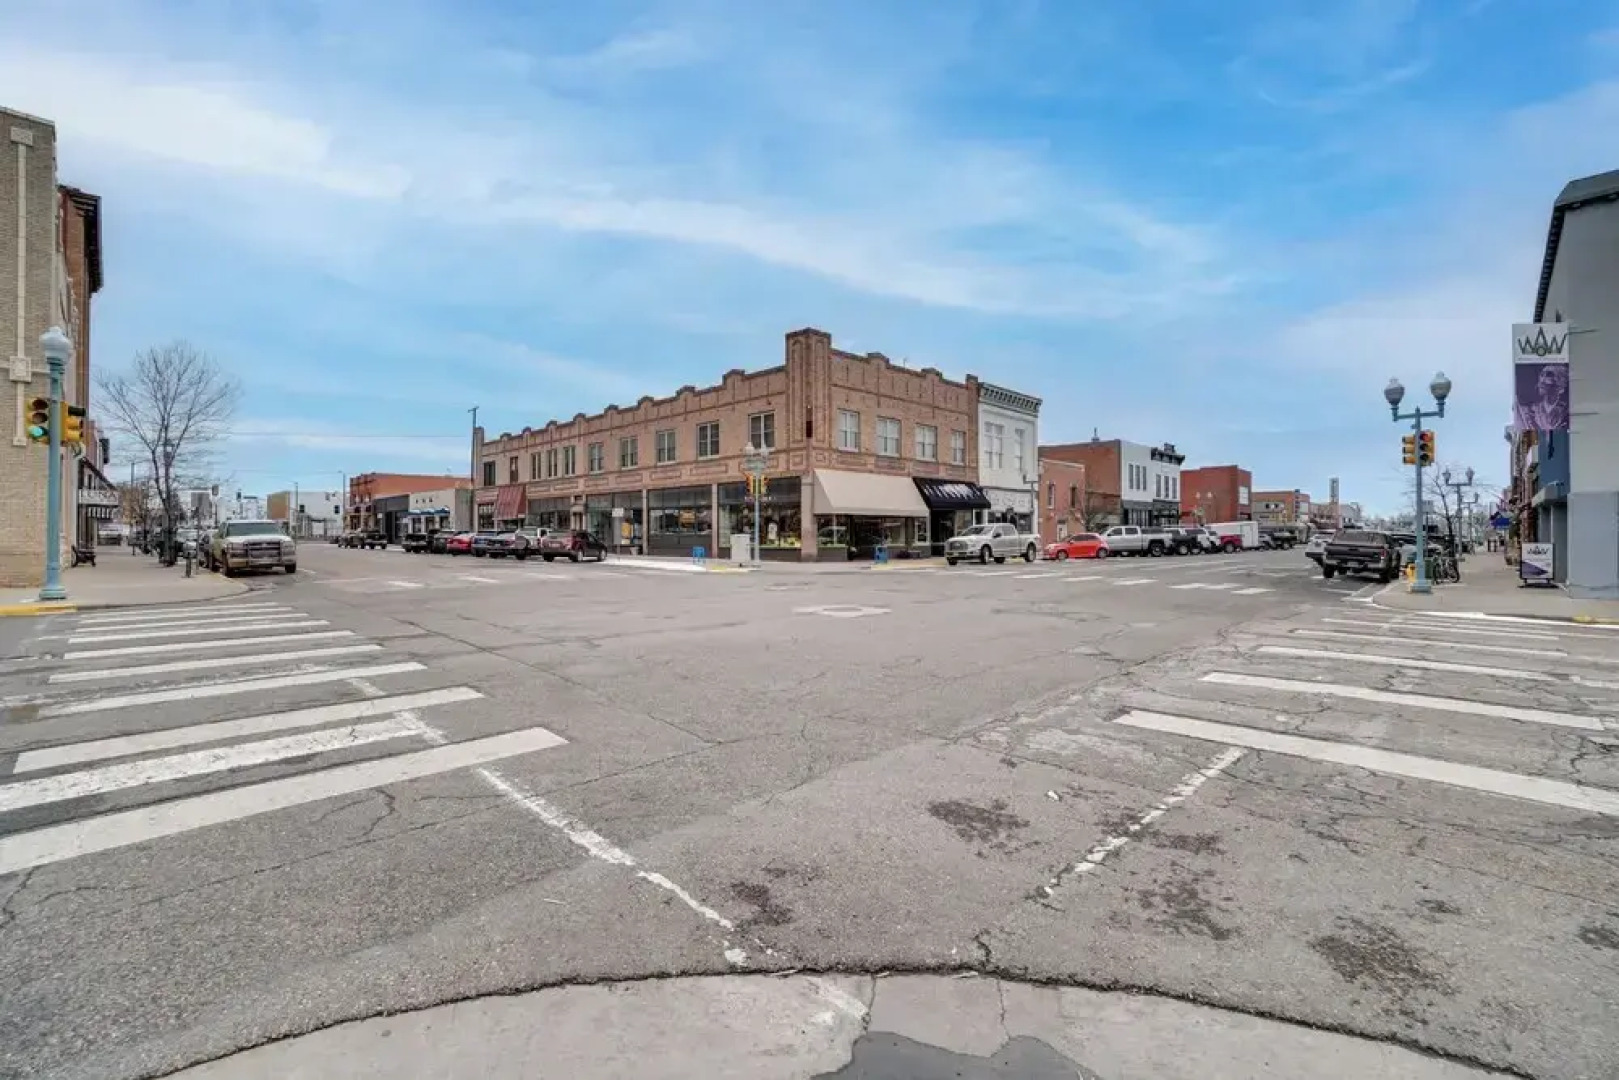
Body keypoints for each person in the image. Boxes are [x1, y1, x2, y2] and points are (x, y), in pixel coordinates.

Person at [1513, 362, 1570, 431]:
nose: (1542, 380)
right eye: (1542, 375)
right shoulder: (1529, 411)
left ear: (1561, 386)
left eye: (1549, 375)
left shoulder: (1567, 412)